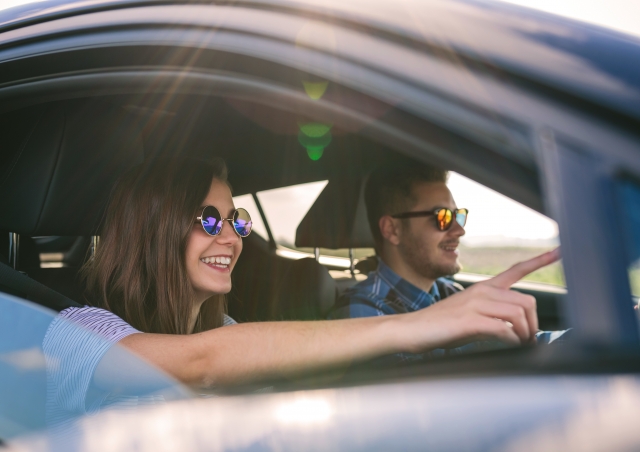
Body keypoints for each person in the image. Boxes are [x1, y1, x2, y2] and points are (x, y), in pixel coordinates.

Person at [43, 157, 558, 418]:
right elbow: (202, 363)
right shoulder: (76, 336)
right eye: (208, 219)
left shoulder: (225, 330)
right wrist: (418, 327)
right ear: (153, 228)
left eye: (237, 221)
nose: (233, 237)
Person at [329, 159, 566, 356]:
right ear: (392, 230)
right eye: (441, 217)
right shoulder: (362, 313)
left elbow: (519, 343)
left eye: (458, 215)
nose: (459, 230)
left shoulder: (449, 293)